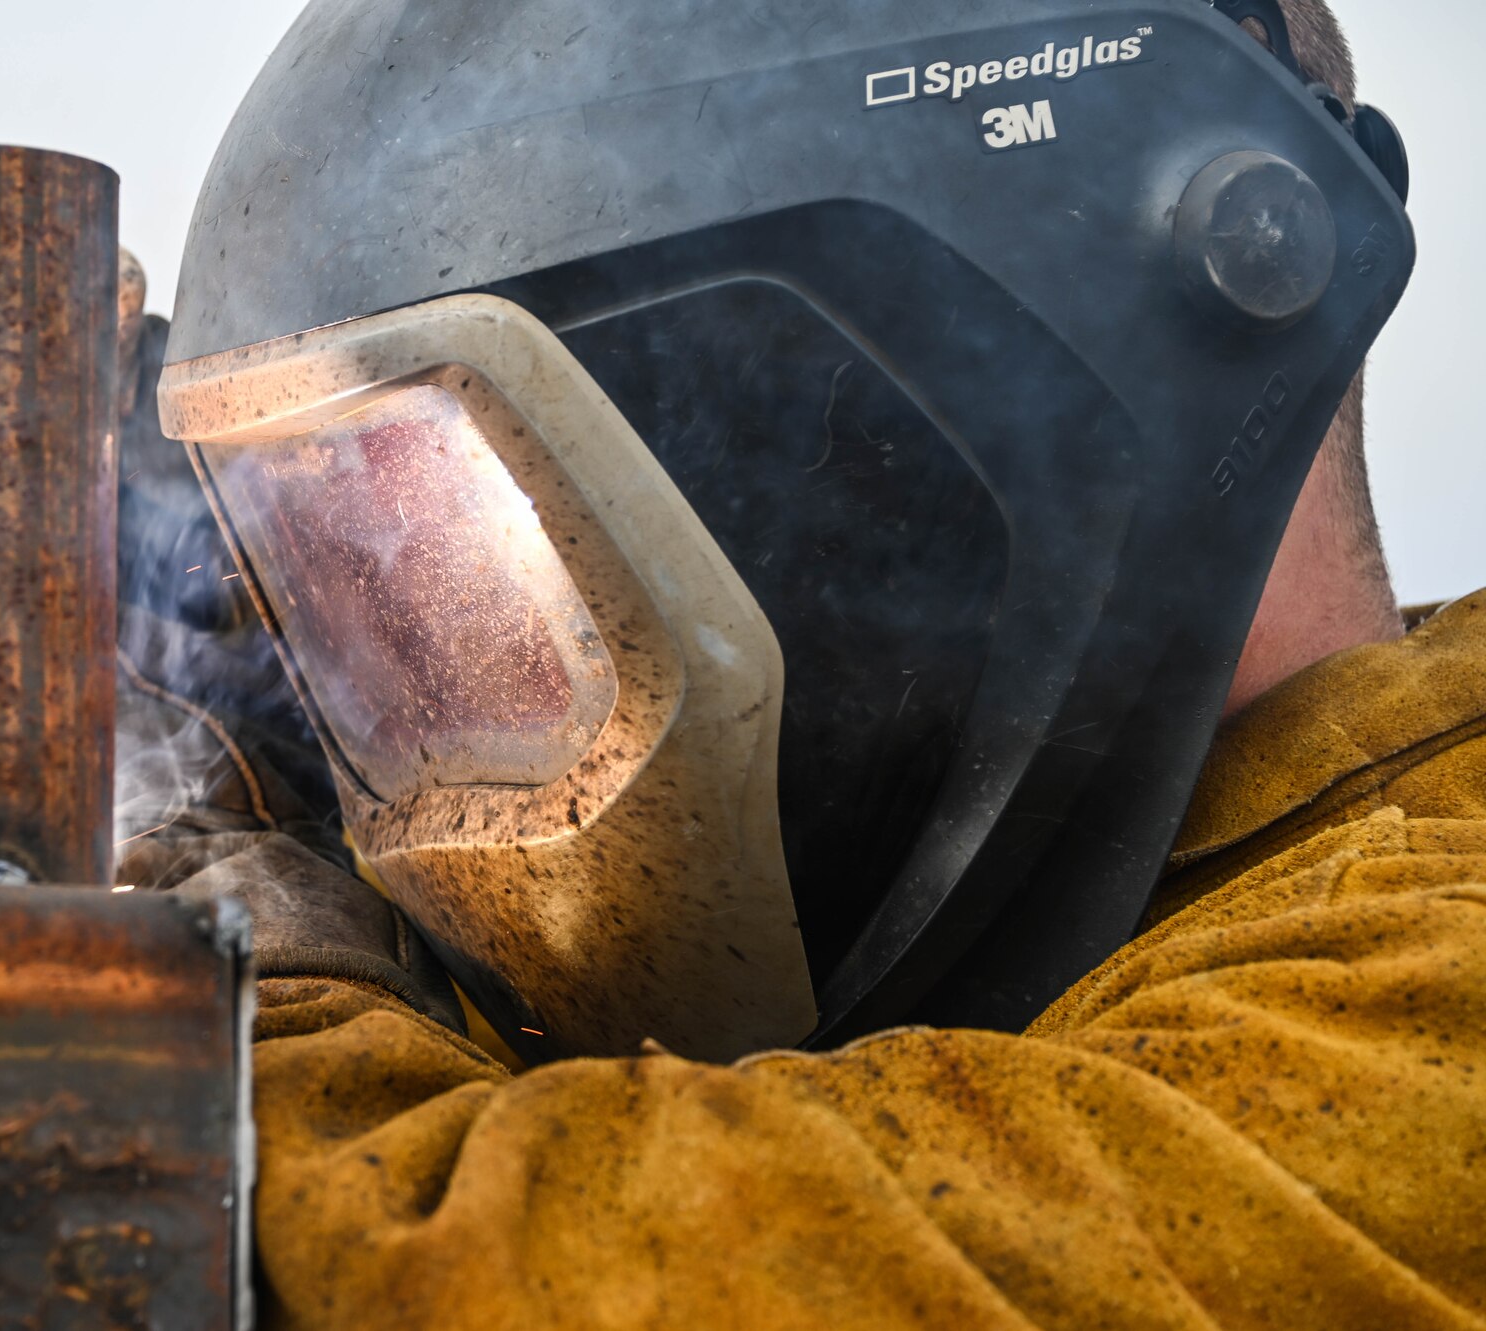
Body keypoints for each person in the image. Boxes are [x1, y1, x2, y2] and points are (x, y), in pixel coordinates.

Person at [120, 0, 1486, 1326]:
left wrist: (220, 1028)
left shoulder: (1435, 993)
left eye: (482, 574)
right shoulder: (986, 960)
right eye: (357, 609)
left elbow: (668, 1273)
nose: (446, 724)